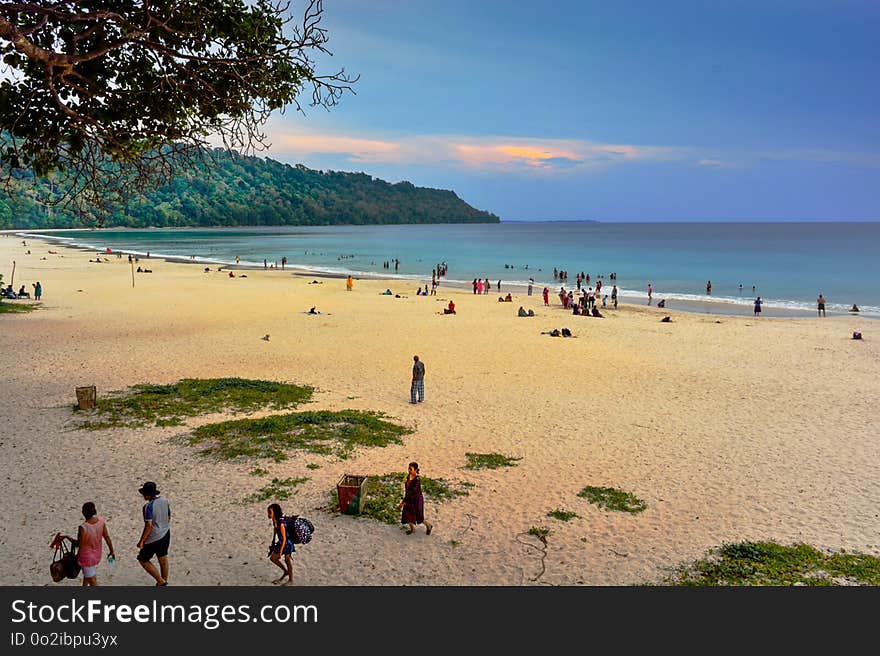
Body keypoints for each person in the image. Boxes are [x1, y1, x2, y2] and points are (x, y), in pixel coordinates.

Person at [56, 502, 115, 586]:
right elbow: (107, 537)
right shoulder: (101, 521)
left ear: (84, 513)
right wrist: (111, 551)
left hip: (86, 558)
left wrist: (67, 537)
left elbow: (79, 544)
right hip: (97, 555)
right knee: (87, 578)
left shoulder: (83, 527)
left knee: (93, 582)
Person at [136, 481, 170, 586]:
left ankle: (160, 581)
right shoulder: (165, 501)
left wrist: (142, 541)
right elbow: (168, 517)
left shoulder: (148, 507)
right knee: (163, 558)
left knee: (143, 559)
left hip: (154, 537)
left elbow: (148, 526)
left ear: (146, 494)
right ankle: (164, 581)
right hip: (166, 533)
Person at [399, 462, 432, 535]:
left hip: (416, 500)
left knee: (419, 517)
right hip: (409, 499)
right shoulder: (409, 476)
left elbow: (411, 492)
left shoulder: (417, 480)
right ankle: (412, 529)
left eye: (411, 469)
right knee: (406, 515)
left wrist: (404, 501)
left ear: (416, 470)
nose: (409, 470)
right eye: (408, 468)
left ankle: (428, 526)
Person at [267, 503, 294, 585]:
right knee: (273, 558)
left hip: (287, 543)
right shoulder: (274, 521)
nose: (269, 514)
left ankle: (290, 580)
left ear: (275, 512)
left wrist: (280, 552)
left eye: (270, 512)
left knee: (287, 560)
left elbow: (285, 538)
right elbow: (275, 533)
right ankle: (285, 572)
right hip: (281, 542)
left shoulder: (281, 523)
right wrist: (273, 542)